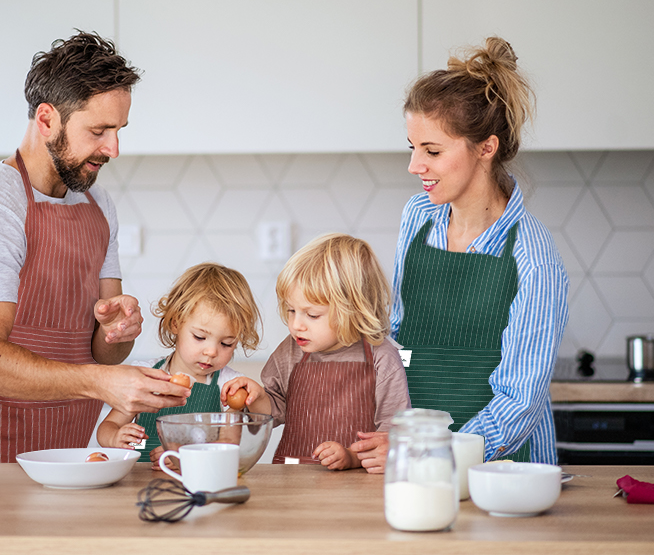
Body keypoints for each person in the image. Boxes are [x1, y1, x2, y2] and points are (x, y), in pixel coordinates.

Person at [0, 31, 189, 463]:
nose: (114, 149)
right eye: (99, 130)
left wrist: (116, 330)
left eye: (119, 131)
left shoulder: (97, 203)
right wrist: (100, 382)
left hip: (61, 450)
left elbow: (105, 352)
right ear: (47, 120)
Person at [352, 36, 569, 473]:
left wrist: (436, 453)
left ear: (486, 148)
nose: (415, 166)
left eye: (432, 151)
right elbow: (400, 337)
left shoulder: (533, 256)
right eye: (412, 147)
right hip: (413, 459)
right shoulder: (417, 217)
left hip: (501, 472)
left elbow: (520, 402)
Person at [225, 233, 410, 470]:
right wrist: (258, 398)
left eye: (312, 315)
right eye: (291, 311)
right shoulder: (291, 350)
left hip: (355, 484)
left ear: (353, 310)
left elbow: (392, 434)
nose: (296, 325)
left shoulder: (381, 356)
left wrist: (352, 457)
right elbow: (275, 411)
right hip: (293, 477)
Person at [96, 262, 262, 464]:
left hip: (198, 482)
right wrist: (116, 437)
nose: (211, 352)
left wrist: (187, 456)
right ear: (176, 323)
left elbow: (229, 442)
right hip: (139, 482)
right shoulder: (146, 375)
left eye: (226, 343)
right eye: (200, 337)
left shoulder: (228, 385)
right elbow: (107, 428)